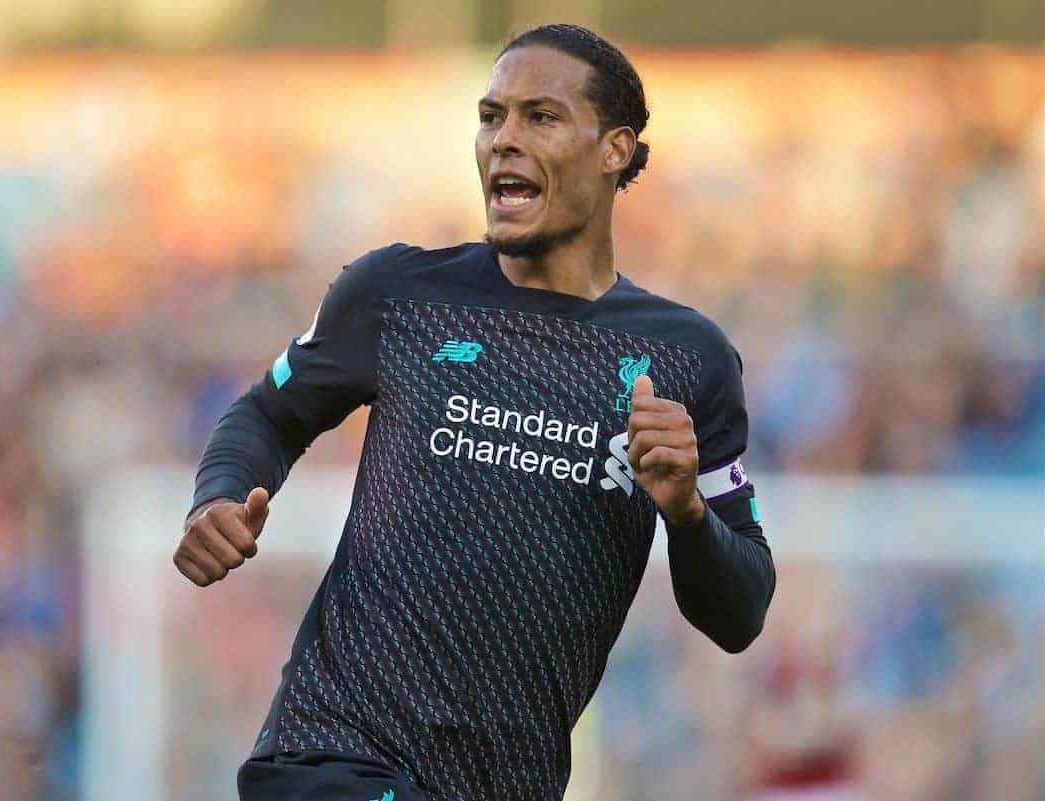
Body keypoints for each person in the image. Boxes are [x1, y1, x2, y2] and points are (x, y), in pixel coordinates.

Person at [176, 23, 776, 801]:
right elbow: (266, 415)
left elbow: (741, 611)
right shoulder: (396, 294)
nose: (504, 140)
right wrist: (219, 494)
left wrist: (689, 510)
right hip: (333, 757)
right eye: (492, 117)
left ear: (615, 149)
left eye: (541, 117)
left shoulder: (689, 358)